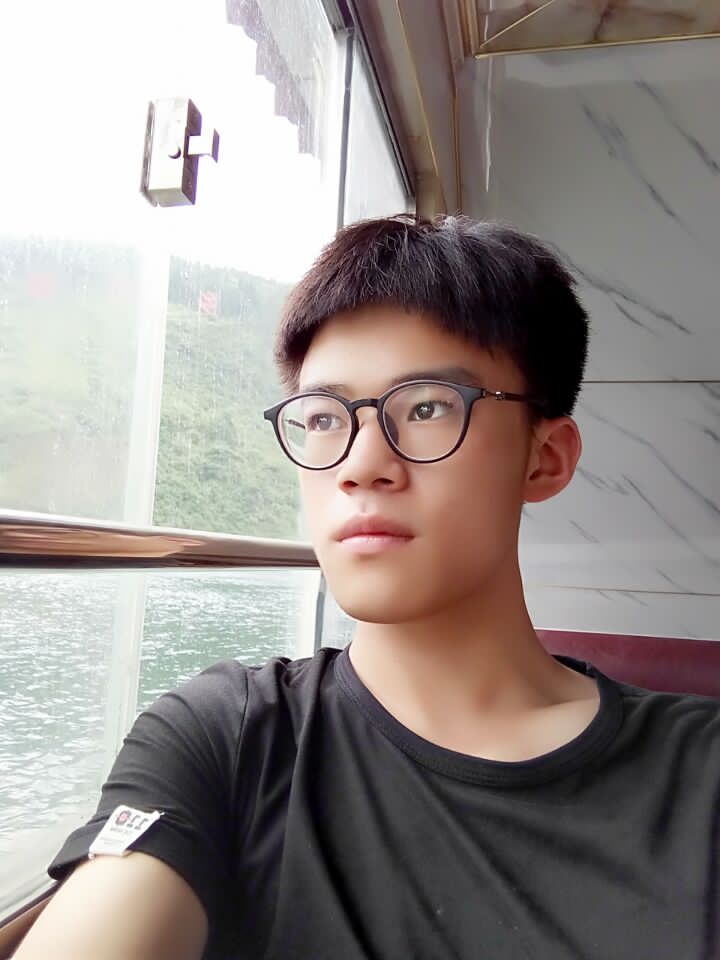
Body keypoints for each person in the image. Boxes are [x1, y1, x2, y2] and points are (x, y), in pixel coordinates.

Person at [15, 215, 720, 960]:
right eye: (324, 418)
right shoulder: (230, 741)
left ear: (544, 457)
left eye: (427, 407)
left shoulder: (699, 775)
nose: (359, 464)